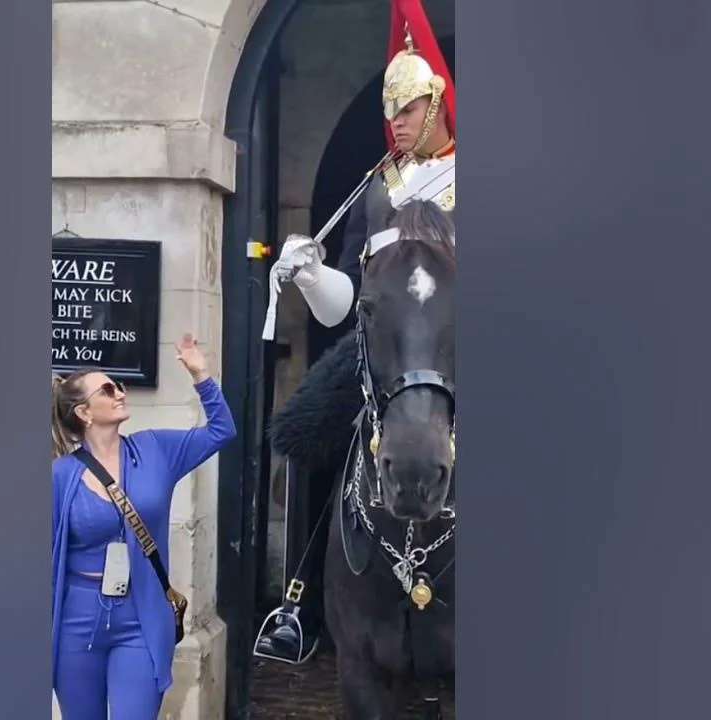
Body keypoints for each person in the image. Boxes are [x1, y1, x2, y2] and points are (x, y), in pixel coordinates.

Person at [254, 0, 456, 665]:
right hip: (385, 346)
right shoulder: (377, 188)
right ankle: (300, 602)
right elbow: (343, 301)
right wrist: (311, 275)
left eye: (408, 108)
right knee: (306, 431)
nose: (396, 120)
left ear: (437, 104)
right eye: (390, 109)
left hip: (457, 343)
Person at [51, 334, 236, 720]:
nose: (120, 393)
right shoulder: (60, 476)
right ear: (84, 412)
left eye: (118, 385)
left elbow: (222, 431)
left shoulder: (155, 449)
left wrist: (200, 375)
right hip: (76, 616)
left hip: (140, 614)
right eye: (107, 390)